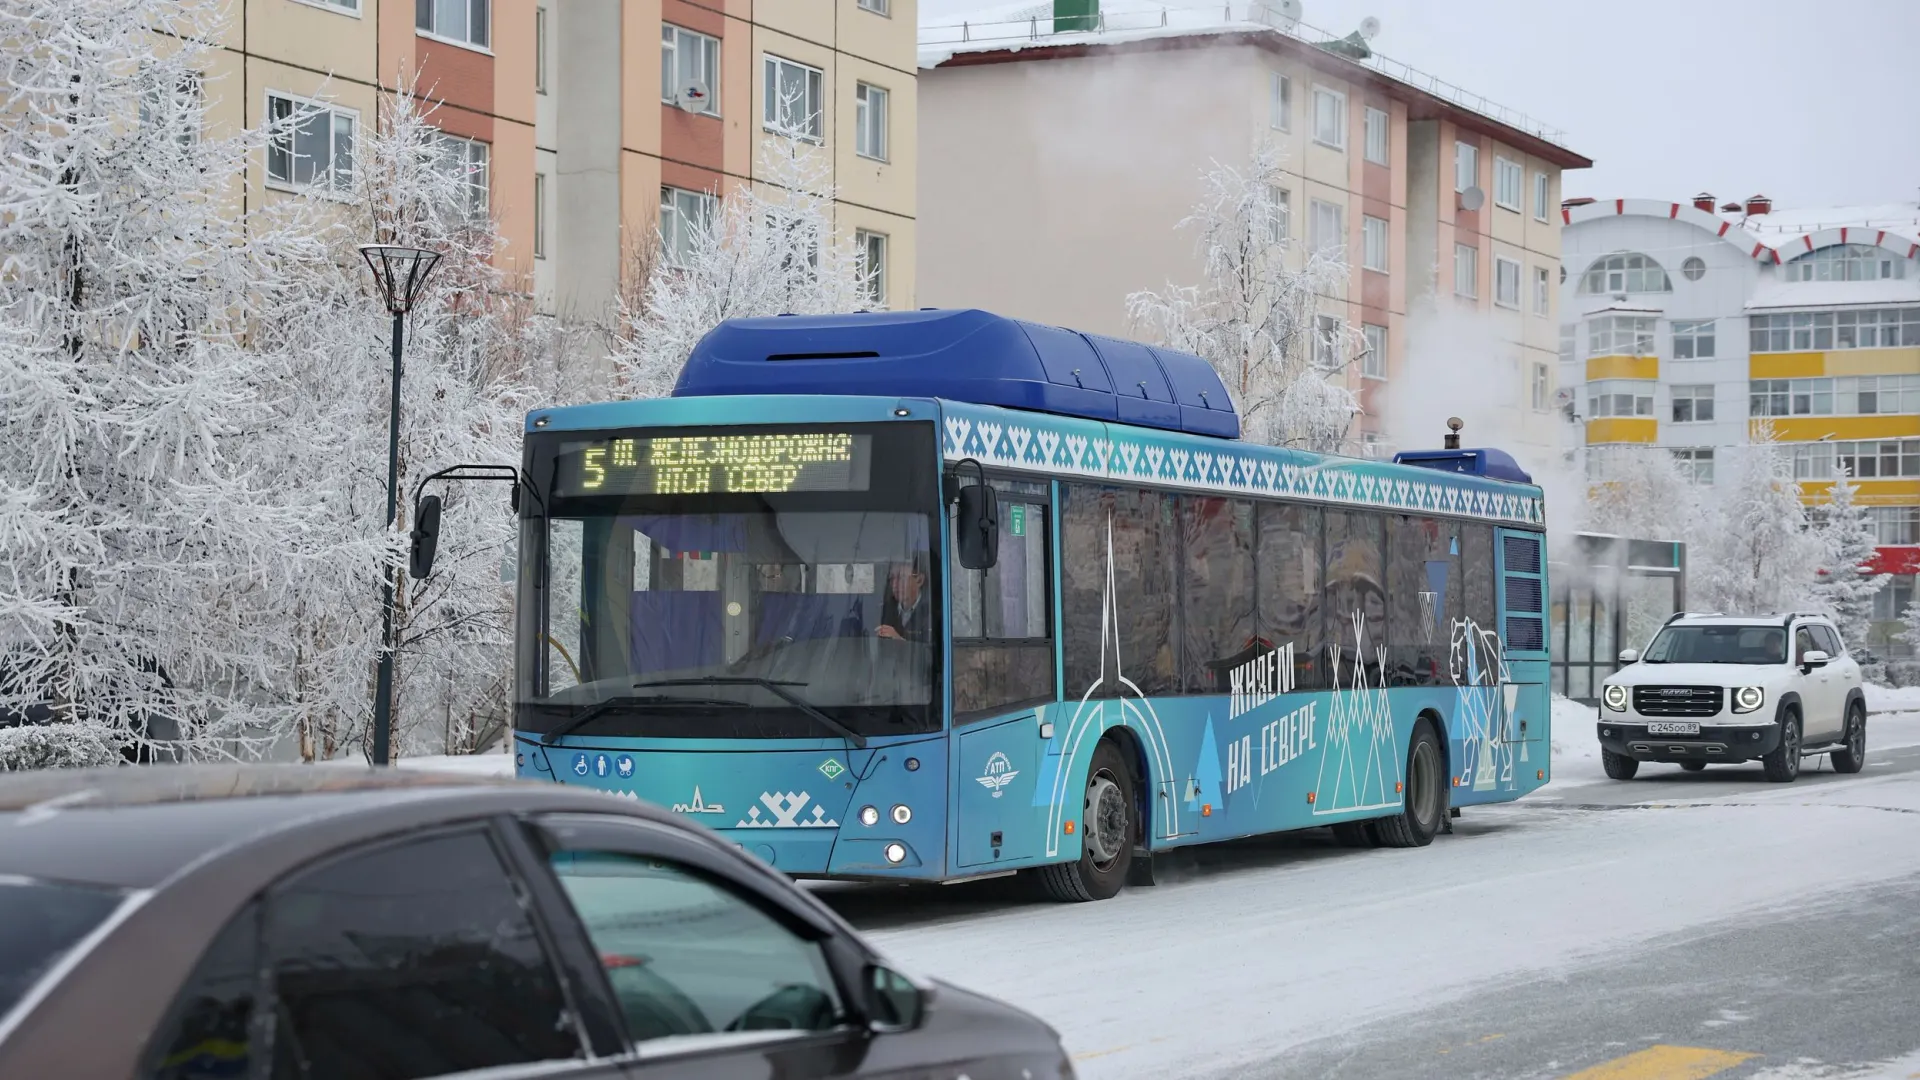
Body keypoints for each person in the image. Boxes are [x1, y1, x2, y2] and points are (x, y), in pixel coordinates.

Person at [876, 561, 930, 642]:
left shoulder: (931, 610)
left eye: (902, 578)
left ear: (919, 580)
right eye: (892, 578)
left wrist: (899, 641)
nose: (894, 585)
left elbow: (931, 650)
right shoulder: (885, 608)